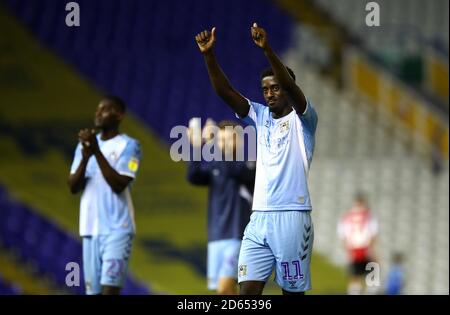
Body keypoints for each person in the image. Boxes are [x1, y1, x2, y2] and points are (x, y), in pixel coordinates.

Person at [195, 23, 318, 295]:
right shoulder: (260, 116)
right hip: (258, 219)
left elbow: (288, 83)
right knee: (246, 293)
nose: (270, 94)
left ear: (289, 88)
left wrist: (266, 50)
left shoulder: (304, 120)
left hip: (292, 218)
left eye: (276, 88)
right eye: (265, 90)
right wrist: (209, 56)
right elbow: (225, 92)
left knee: (292, 292)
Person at [67, 96, 141, 295]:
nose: (98, 114)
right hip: (90, 228)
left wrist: (96, 152)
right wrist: (84, 158)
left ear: (119, 115)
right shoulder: (84, 146)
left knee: (110, 292)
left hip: (118, 228)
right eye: (97, 110)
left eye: (105, 109)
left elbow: (119, 184)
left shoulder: (129, 145)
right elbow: (73, 187)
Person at [187, 118, 255, 295]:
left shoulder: (249, 164)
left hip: (239, 236)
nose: (223, 144)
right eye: (221, 140)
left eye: (228, 139)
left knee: (225, 288)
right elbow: (193, 177)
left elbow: (233, 170)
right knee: (227, 291)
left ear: (239, 140)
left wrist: (211, 144)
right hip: (216, 237)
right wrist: (196, 145)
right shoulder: (217, 165)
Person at [337, 193, 378, 295]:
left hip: (353, 248)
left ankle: (354, 291)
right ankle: (370, 290)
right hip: (364, 246)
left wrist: (347, 247)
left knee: (355, 274)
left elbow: (342, 234)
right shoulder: (368, 215)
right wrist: (372, 248)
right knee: (373, 267)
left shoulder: (347, 215)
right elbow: (373, 233)